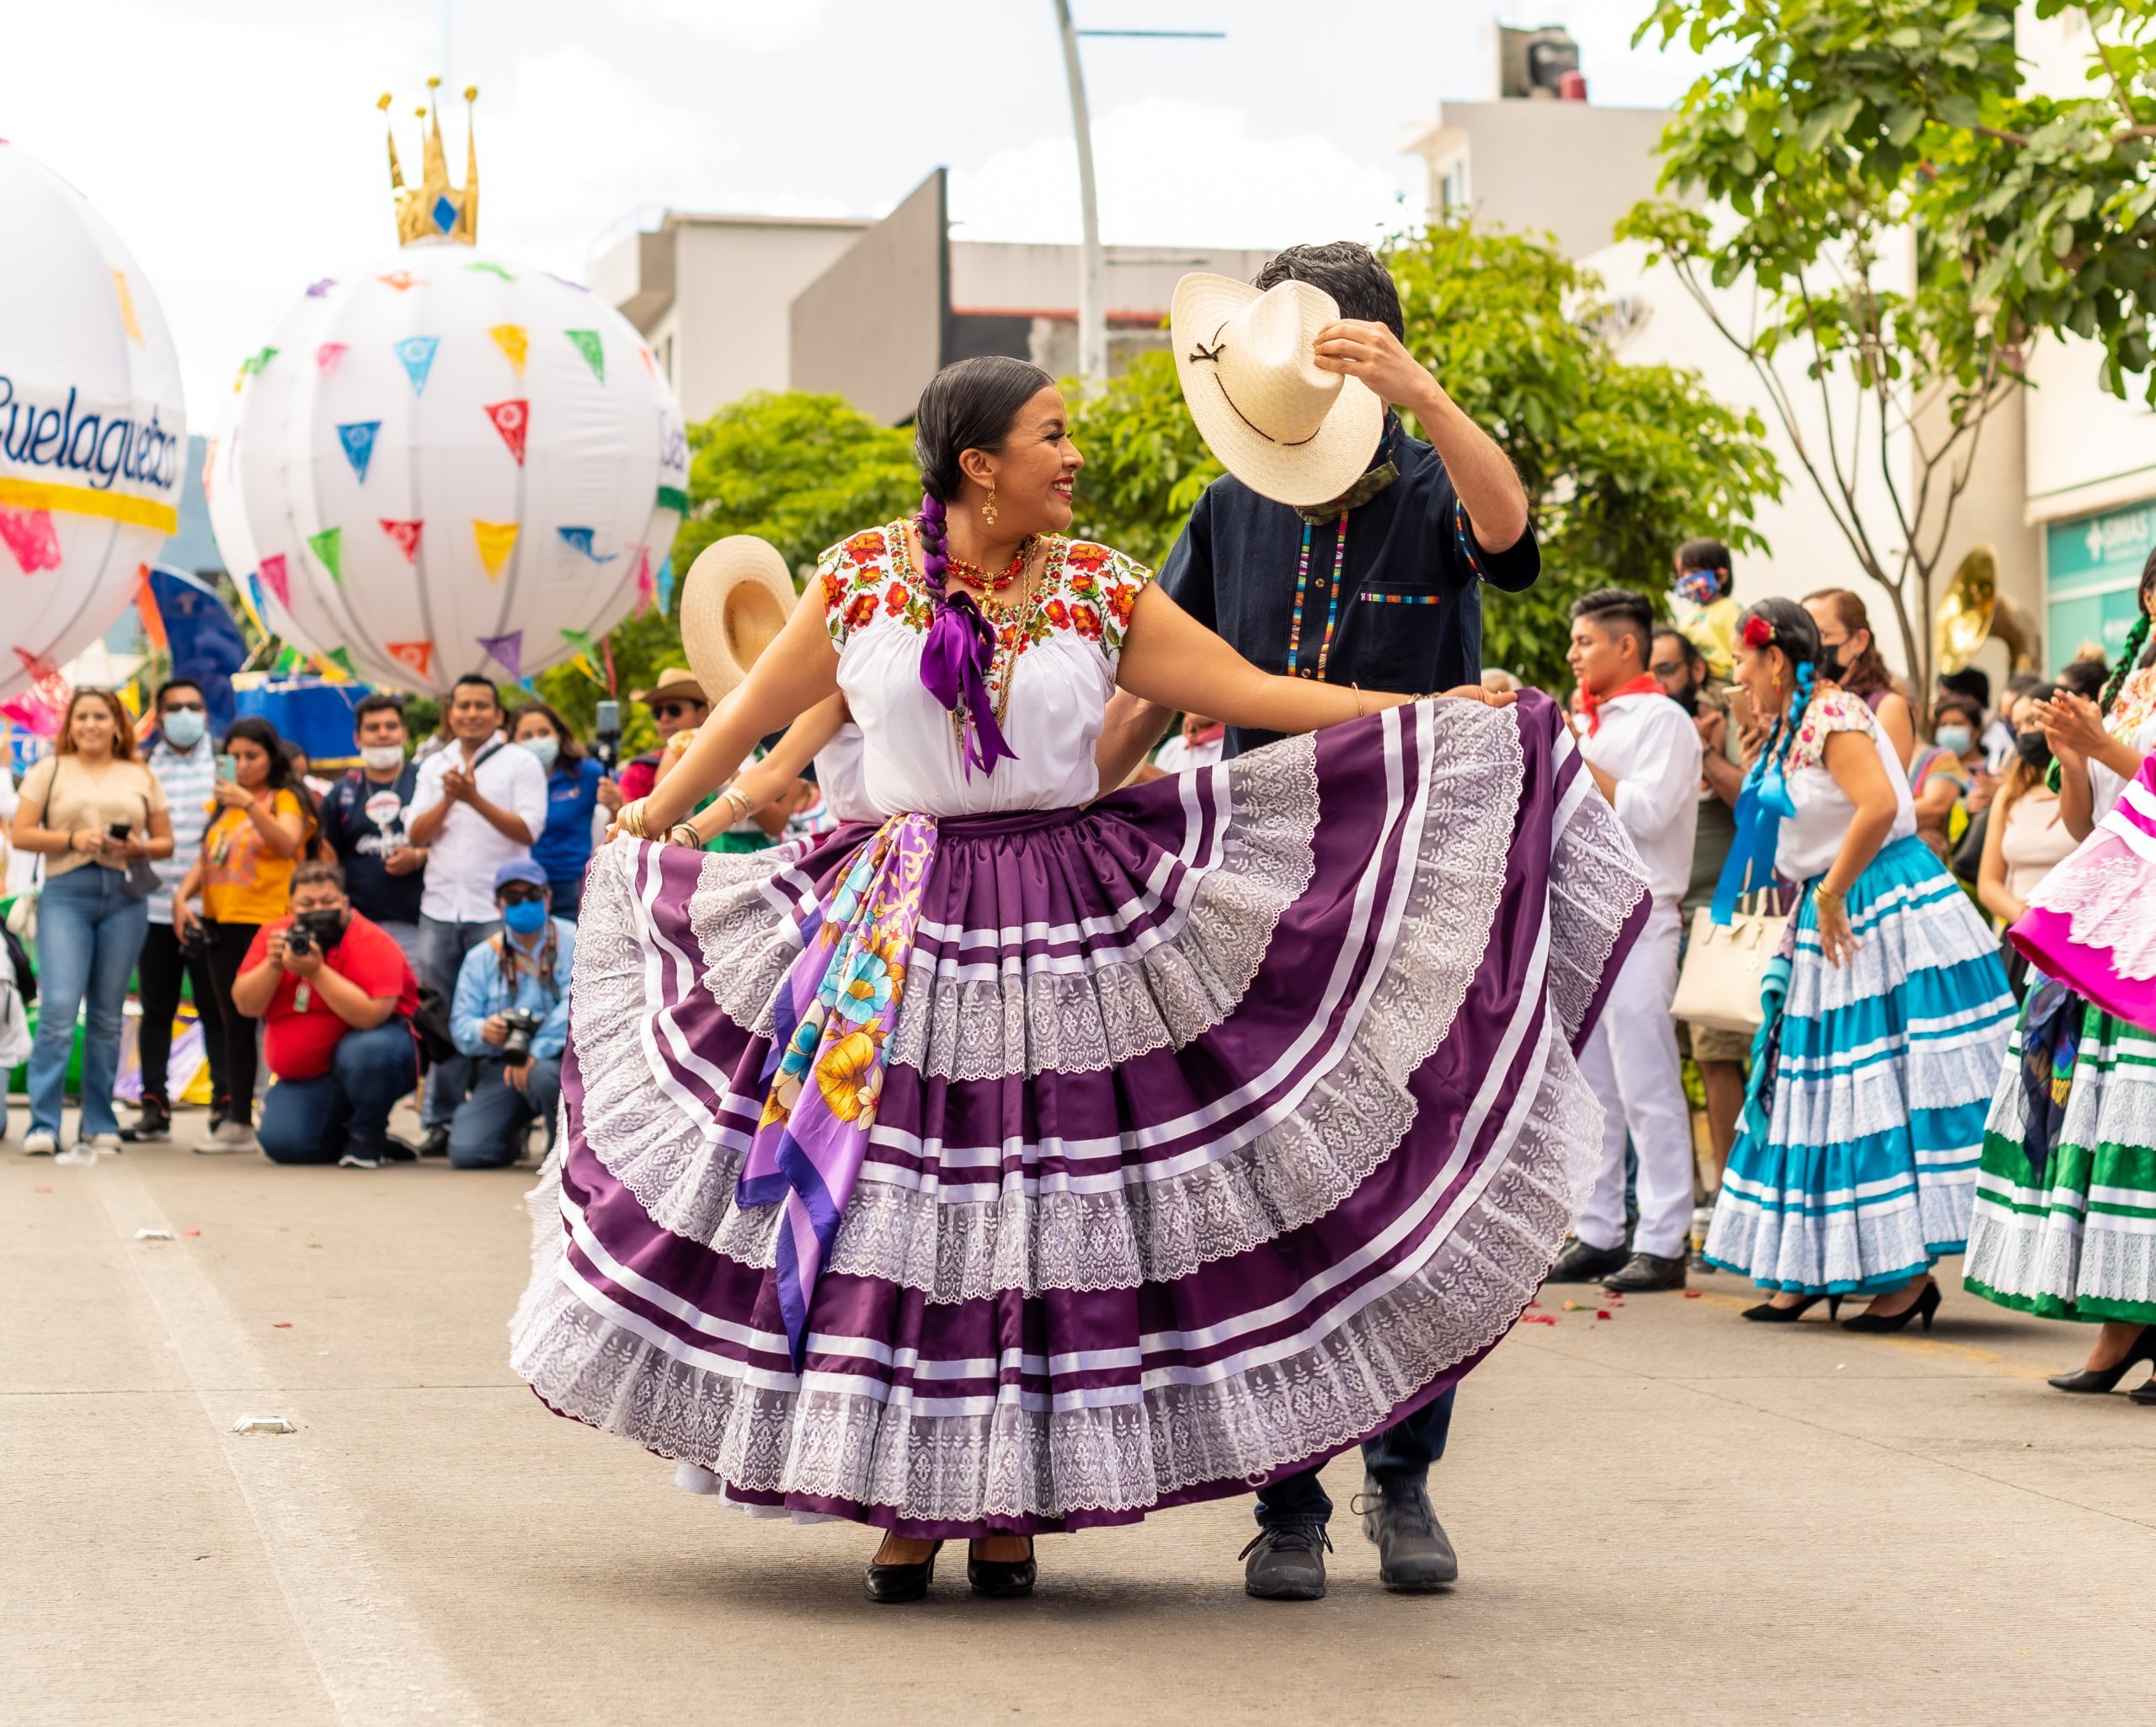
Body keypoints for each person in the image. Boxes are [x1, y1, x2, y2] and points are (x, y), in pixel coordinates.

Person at [512, 351, 1646, 1612]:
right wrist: (656, 822)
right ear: (978, 462)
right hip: (891, 920)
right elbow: (758, 723)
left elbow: (1253, 692)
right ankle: (906, 1504)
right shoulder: (859, 579)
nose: (1076, 457)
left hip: (1065, 911)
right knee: (891, 1214)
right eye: (1054, 435)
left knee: (1037, 1222)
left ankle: (1006, 1511)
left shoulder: (1102, 585)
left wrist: (1435, 706)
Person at [1094, 246, 1544, 1599]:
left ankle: (1405, 1480)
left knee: (1409, 1179)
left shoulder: (1429, 483)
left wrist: (1427, 397)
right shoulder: (1228, 508)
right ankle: (1286, 1499)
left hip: (1420, 889)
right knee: (1268, 1181)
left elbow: (1512, 538)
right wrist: (1068, 805)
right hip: (1255, 892)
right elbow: (1148, 688)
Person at [1701, 600, 2013, 1327]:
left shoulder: (1832, 715)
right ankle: (1816, 1266)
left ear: (1775, 659)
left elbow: (1876, 805)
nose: (1739, 678)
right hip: (1832, 905)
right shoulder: (1788, 724)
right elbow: (1771, 834)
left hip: (1876, 903)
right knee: (1821, 1092)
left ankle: (1903, 1279)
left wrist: (1835, 889)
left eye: (1744, 663)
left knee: (1875, 1089)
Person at [1961, 553, 2156, 1391]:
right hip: (2117, 927)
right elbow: (2086, 823)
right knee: (2109, 1122)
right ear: (2149, 595)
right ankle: (2125, 1323)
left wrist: (2100, 740)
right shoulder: (2133, 688)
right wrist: (2071, 756)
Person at [1549, 590, 1703, 1293]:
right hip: (1587, 915)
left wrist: (1577, 757)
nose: (1574, 653)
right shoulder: (1592, 719)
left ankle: (1666, 1237)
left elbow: (1647, 810)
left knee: (1647, 1083)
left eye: (1584, 641)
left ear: (1626, 647)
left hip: (1644, 915)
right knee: (1595, 1087)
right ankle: (1601, 1228)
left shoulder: (1663, 720)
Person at [9, 690, 174, 1159]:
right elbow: (20, 833)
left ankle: (99, 1121)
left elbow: (166, 842)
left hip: (125, 896)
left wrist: (136, 847)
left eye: (100, 716)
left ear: (117, 723)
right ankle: (43, 1122)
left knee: (107, 1015)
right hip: (67, 893)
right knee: (59, 1009)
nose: (90, 725)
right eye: (81, 717)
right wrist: (73, 837)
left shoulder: (139, 773)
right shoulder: (50, 770)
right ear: (70, 725)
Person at [406, 674, 548, 1158]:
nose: (471, 713)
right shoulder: (433, 765)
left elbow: (529, 829)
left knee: (503, 1010)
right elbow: (416, 834)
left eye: (481, 706)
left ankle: (503, 1115)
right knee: (441, 1019)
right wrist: (450, 796)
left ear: (497, 714)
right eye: (463, 705)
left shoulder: (520, 762)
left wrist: (474, 798)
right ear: (450, 712)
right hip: (441, 908)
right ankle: (440, 1120)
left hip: (498, 912)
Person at [1649, 626, 1750, 1243]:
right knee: (1663, 1064)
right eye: (1655, 671)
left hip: (1719, 916)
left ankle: (1730, 1198)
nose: (1663, 682)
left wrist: (1708, 750)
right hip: (1663, 913)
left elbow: (1753, 805)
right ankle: (1679, 1201)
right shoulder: (1648, 727)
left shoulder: (1725, 722)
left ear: (1693, 668)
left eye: (1671, 668)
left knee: (1716, 1059)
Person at [173, 717, 314, 1153]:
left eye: (251, 755)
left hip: (269, 922)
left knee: (277, 1016)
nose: (242, 764)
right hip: (221, 922)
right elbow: (210, 857)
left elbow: (288, 843)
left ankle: (289, 1108)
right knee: (231, 1019)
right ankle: (236, 1119)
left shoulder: (285, 798)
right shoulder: (223, 805)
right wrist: (182, 898)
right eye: (233, 756)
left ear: (271, 757)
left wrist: (250, 804)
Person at [233, 859, 421, 1170]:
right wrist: (273, 964)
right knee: (284, 1144)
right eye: (307, 903)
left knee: (368, 1050)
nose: (318, 909)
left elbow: (371, 1016)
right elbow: (246, 1005)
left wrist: (317, 972)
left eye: (328, 901)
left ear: (345, 903)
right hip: (309, 1077)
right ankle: (351, 1138)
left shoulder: (370, 940)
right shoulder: (273, 937)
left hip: (378, 1058)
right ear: (290, 908)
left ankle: (367, 1136)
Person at [132, 678, 227, 1143]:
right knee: (157, 1009)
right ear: (160, 715)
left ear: (206, 714)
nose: (185, 715)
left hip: (212, 910)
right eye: (175, 708)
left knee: (217, 1007)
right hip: (152, 910)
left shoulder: (227, 762)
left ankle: (226, 1103)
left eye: (193, 707)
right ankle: (154, 1104)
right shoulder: (144, 768)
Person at [446, 859, 573, 1169]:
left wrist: (535, 1051)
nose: (524, 902)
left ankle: (563, 1150)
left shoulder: (577, 940)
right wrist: (482, 1030)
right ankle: (511, 1136)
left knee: (544, 1075)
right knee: (468, 1152)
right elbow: (460, 1025)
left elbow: (578, 1004)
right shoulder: (481, 957)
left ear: (548, 897)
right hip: (503, 1067)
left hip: (559, 1062)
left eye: (533, 894)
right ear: (498, 905)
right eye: (513, 898)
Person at [315, 695, 428, 972]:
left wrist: (418, 857)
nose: (383, 734)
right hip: (360, 926)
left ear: (404, 734)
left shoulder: (427, 782)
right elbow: (328, 859)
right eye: (373, 727)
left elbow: (453, 843)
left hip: (423, 925)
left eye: (391, 726)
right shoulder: (343, 793)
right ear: (358, 738)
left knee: (421, 1007)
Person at [1972, 685, 2073, 993]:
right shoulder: (2008, 796)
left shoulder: (2083, 786)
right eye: (2018, 727)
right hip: (2022, 940)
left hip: (2072, 941)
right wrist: (2023, 916)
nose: (2025, 733)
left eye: (2032, 721)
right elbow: (1988, 883)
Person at [1804, 588, 1916, 769]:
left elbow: (1888, 788)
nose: (1811, 646)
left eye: (1822, 635)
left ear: (1859, 640)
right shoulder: (1803, 703)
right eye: (1805, 636)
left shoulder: (1887, 706)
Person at [1910, 690, 1986, 860]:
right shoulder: (1930, 764)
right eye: (1943, 725)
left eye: (1957, 724)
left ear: (1976, 731)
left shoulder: (1993, 770)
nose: (1949, 730)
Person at [616, 668, 708, 803]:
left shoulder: (739, 750)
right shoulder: (641, 771)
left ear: (703, 713)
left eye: (674, 710)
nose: (664, 718)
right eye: (657, 712)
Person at [1669, 536, 1740, 679]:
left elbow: (1741, 650)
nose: (1686, 579)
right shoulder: (1687, 620)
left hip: (1721, 681)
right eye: (1681, 574)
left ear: (1721, 576)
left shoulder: (1730, 610)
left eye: (1694, 571)